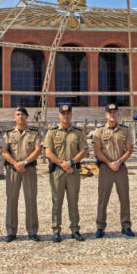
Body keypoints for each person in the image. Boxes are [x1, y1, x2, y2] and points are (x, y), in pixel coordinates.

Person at [43, 104, 87, 242]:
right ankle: (56, 230)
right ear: (59, 115)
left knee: (73, 202)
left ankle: (75, 229)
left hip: (73, 171)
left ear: (71, 115)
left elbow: (84, 151)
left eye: (68, 113)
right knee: (57, 202)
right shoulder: (52, 132)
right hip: (57, 171)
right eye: (63, 114)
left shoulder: (78, 132)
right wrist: (62, 163)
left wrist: (71, 162)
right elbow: (48, 152)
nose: (66, 116)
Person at [93, 103, 134, 238]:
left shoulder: (125, 130)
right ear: (106, 114)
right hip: (106, 168)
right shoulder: (99, 131)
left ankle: (126, 226)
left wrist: (118, 162)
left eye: (114, 112)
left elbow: (128, 150)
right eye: (109, 112)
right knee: (103, 198)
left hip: (120, 167)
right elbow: (97, 150)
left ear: (118, 114)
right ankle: (100, 226)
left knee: (124, 198)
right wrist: (109, 163)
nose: (112, 114)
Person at [1, 106, 42, 242]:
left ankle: (32, 230)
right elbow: (4, 151)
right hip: (13, 170)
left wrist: (23, 162)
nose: (20, 117)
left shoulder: (34, 133)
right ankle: (11, 231)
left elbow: (37, 150)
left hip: (28, 169)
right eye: (17, 114)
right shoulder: (8, 133)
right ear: (14, 117)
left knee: (30, 200)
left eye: (22, 115)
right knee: (11, 200)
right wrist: (15, 163)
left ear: (27, 117)